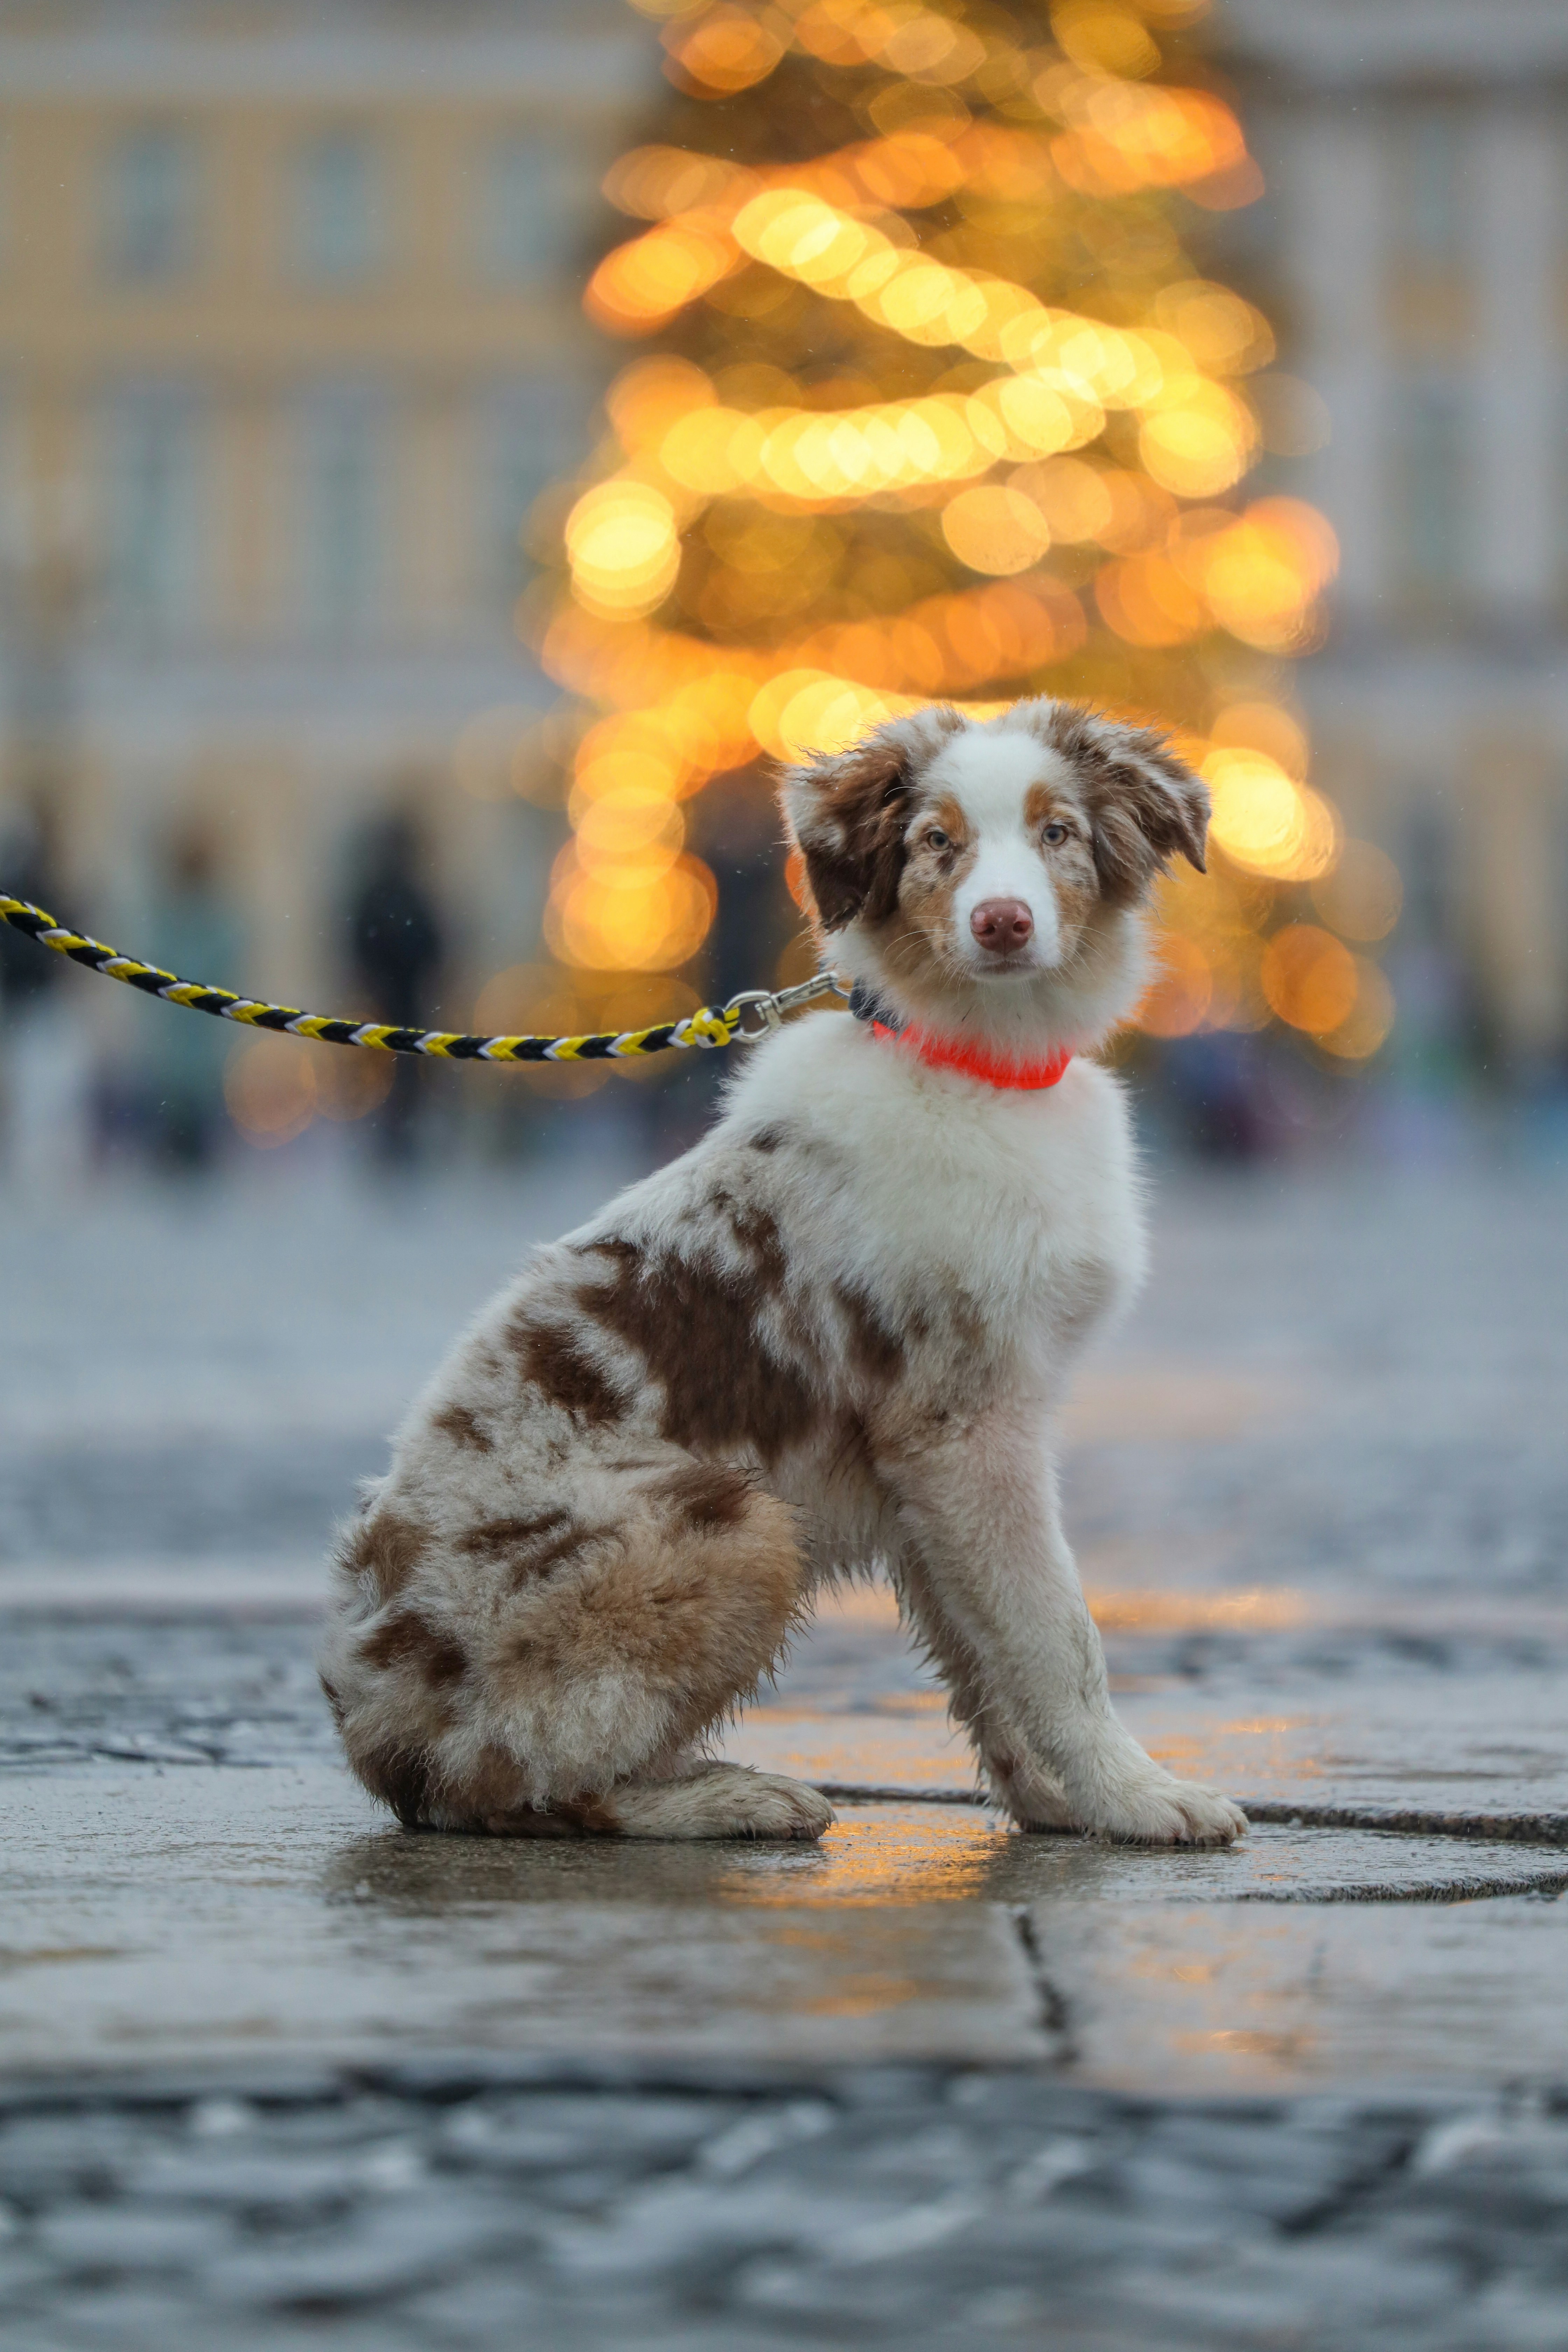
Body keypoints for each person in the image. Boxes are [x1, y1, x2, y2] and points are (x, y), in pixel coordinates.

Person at [345, 811, 445, 1167]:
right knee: (395, 1075)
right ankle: (394, 1137)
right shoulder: (399, 894)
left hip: (399, 999)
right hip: (392, 1000)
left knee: (401, 1075)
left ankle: (398, 1138)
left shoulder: (394, 894)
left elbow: (432, 946)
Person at [142, 819, 243, 1171]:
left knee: (193, 1107)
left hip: (193, 1037)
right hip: (183, 1038)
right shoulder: (175, 916)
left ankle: (190, 1159)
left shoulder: (201, 918)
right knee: (182, 1106)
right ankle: (182, 1158)